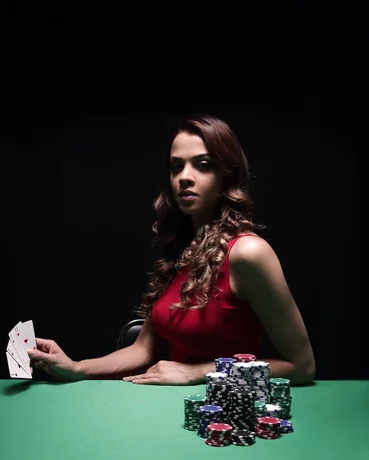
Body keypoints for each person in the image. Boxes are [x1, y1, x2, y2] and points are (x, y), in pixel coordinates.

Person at [28, 115, 316, 386]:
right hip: (166, 406)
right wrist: (76, 367)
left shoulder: (248, 253)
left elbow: (302, 366)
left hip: (220, 412)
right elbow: (143, 350)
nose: (184, 177)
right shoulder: (181, 250)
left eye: (202, 165)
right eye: (176, 166)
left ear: (226, 175)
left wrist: (198, 372)